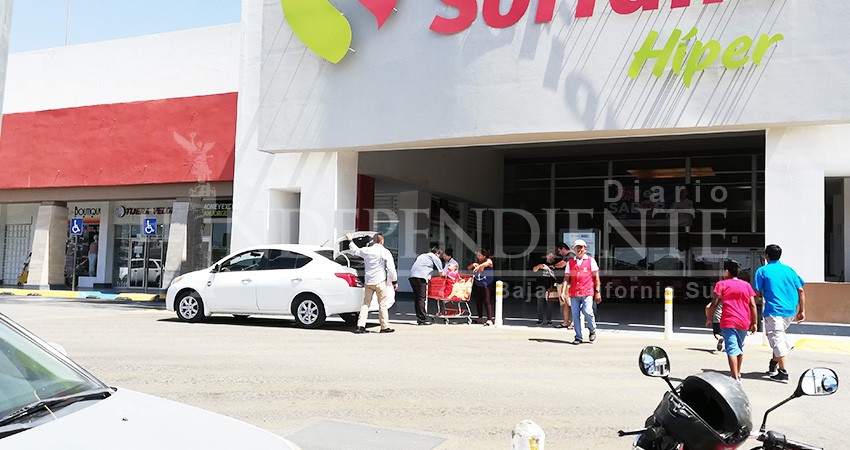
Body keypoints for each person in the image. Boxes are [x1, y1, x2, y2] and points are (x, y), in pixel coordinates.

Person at [753, 244, 805, 383]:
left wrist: (750, 306)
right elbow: (800, 290)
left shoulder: (762, 271)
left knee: (777, 340)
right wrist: (802, 310)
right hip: (790, 311)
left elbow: (757, 293)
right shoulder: (790, 270)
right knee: (779, 337)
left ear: (766, 256)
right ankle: (774, 363)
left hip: (774, 310)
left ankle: (783, 372)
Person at [707, 259, 757, 382]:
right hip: (744, 321)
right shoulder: (746, 285)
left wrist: (709, 317)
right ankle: (738, 373)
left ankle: (734, 378)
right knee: (739, 347)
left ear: (727, 271)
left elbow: (714, 303)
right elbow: (752, 305)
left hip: (729, 321)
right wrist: (754, 322)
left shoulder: (721, 284)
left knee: (731, 349)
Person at [346, 232, 398, 334]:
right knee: (382, 304)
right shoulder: (385, 252)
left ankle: (361, 326)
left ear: (373, 241)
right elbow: (391, 268)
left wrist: (350, 240)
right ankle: (384, 327)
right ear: (382, 241)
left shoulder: (367, 250)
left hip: (369, 281)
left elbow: (355, 251)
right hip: (380, 281)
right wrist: (394, 281)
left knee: (366, 303)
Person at [564, 239, 601, 344]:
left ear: (585, 249)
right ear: (574, 249)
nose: (579, 249)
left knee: (587, 311)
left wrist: (597, 291)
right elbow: (566, 278)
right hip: (574, 292)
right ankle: (578, 337)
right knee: (575, 315)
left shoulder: (590, 261)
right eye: (577, 247)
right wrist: (563, 291)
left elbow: (596, 277)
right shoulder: (570, 263)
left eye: (581, 247)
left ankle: (592, 329)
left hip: (587, 291)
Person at [409, 246, 444, 325]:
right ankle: (422, 319)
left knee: (417, 298)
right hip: (421, 277)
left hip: (412, 277)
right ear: (437, 253)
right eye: (439, 255)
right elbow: (441, 273)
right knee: (422, 298)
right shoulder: (435, 257)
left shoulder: (422, 255)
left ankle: (419, 317)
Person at [468, 248, 495, 326]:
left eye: (479, 255)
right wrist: (473, 265)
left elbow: (486, 264)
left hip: (486, 283)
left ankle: (489, 319)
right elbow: (469, 268)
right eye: (477, 255)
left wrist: (478, 266)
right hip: (478, 283)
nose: (478, 257)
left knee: (487, 300)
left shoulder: (488, 261)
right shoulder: (477, 262)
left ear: (484, 255)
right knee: (478, 301)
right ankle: (480, 317)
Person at [532, 252, 559, 326]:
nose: (551, 258)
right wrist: (538, 266)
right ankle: (540, 319)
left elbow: (556, 277)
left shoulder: (555, 265)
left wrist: (552, 271)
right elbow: (534, 270)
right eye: (550, 256)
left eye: (552, 257)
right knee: (539, 304)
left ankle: (549, 320)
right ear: (547, 256)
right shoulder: (541, 262)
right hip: (540, 286)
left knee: (550, 304)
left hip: (550, 287)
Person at [554, 242, 572, 329]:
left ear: (563, 248)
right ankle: (565, 322)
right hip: (561, 283)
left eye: (559, 251)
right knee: (565, 304)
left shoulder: (570, 256)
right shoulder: (565, 257)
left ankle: (573, 323)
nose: (559, 253)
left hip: (568, 284)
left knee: (571, 304)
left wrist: (553, 266)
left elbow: (563, 264)